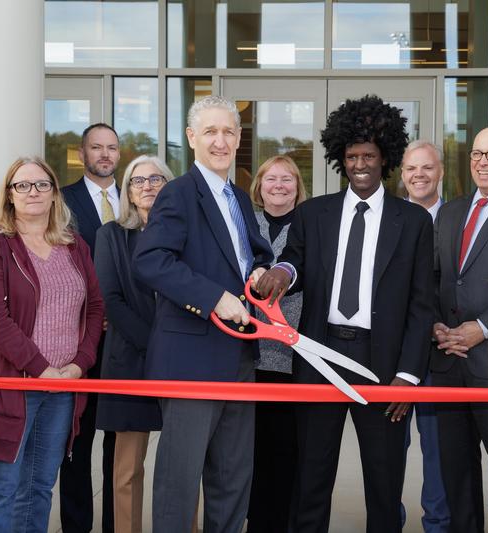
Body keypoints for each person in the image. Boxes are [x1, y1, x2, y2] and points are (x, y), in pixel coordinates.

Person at [256, 95, 435, 533]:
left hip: (383, 365)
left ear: (385, 158)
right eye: (352, 156)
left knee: (384, 481)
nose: (360, 164)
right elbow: (294, 261)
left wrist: (408, 376)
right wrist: (281, 272)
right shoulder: (313, 213)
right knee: (311, 477)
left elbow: (421, 304)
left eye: (368, 156)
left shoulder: (413, 221)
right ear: (341, 158)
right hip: (320, 355)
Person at [132, 95, 273, 532]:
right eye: (210, 131)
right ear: (192, 137)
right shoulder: (178, 193)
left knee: (233, 480)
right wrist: (213, 298)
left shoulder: (239, 197)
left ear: (239, 138)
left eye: (228, 131)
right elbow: (150, 260)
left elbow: (250, 255)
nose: (220, 141)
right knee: (179, 483)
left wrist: (261, 271)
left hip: (240, 357)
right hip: (190, 361)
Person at [0, 156, 103, 532]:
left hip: (63, 390)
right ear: (9, 195)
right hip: (12, 387)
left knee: (39, 488)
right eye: (22, 185)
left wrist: (80, 363)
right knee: (0, 490)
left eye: (42, 184)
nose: (33, 192)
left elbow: (94, 308)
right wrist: (41, 368)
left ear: (55, 193)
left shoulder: (74, 246)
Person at [429, 127, 488, 533]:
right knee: (457, 475)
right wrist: (437, 325)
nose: (483, 162)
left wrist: (483, 328)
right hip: (448, 362)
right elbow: (434, 276)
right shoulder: (451, 211)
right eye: (477, 154)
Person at [94, 155, 174, 533]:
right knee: (126, 471)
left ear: (170, 186)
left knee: (181, 468)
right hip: (130, 360)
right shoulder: (111, 236)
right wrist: (156, 345)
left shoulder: (186, 234)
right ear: (127, 191)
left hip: (182, 363)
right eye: (138, 181)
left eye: (156, 179)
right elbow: (111, 300)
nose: (147, 186)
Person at [60, 122, 119, 533]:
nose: (104, 154)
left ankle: (118, 524)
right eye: (96, 147)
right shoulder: (62, 201)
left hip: (125, 342)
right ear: (82, 154)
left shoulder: (137, 196)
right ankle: (77, 526)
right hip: (80, 338)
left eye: (111, 147)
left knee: (121, 447)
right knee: (76, 443)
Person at [246, 155, 307, 533]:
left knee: (286, 448)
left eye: (287, 179)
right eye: (271, 179)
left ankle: (284, 523)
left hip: (291, 355)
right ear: (259, 185)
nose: (279, 185)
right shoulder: (244, 223)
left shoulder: (309, 223)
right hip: (247, 353)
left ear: (298, 187)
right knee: (250, 449)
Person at [399, 140, 449, 533]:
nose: (419, 175)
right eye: (412, 168)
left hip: (441, 354)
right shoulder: (388, 217)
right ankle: (388, 521)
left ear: (440, 172)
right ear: (402, 175)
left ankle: (438, 525)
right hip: (393, 356)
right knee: (388, 448)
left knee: (438, 449)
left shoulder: (457, 217)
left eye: (427, 167)